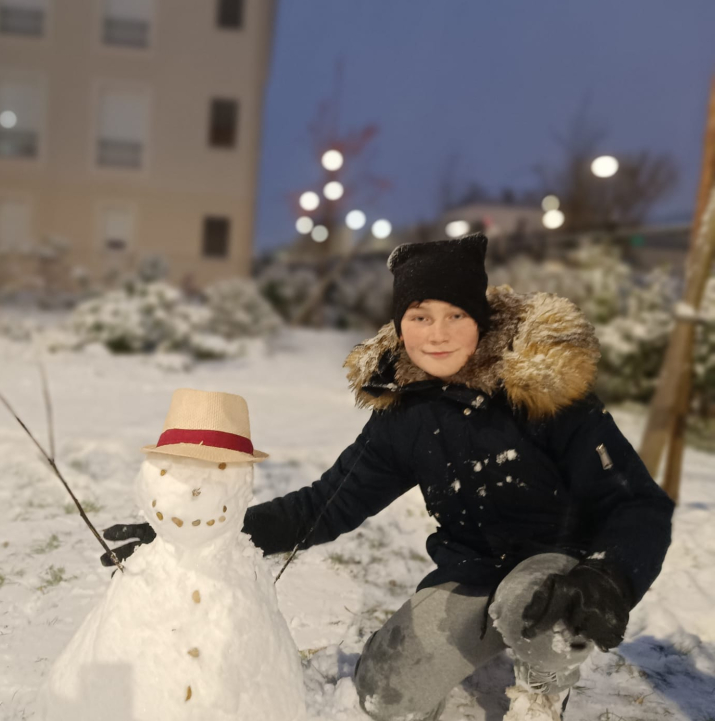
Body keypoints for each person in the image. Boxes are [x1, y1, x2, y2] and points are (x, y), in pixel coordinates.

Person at [102, 234, 674, 721]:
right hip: (471, 573)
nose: (438, 332)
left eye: (456, 315)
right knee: (384, 694)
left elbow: (639, 506)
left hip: (558, 570)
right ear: (401, 325)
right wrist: (193, 537)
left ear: (481, 319)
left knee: (538, 601)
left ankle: (543, 689)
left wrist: (611, 578)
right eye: (420, 316)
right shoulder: (405, 416)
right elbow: (323, 506)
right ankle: (486, 634)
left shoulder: (545, 395)